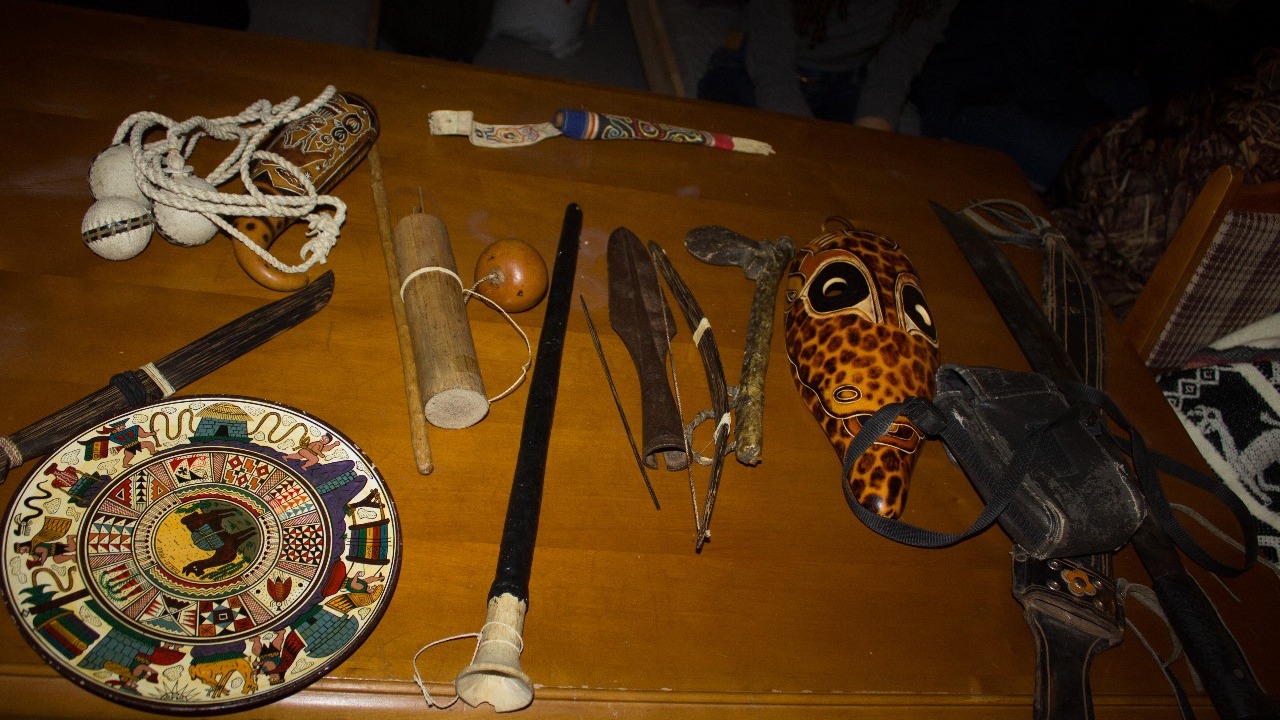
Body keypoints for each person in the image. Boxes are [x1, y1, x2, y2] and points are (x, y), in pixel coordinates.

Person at [697, 0, 959, 131]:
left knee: (874, 181)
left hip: (848, 78)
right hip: (753, 63)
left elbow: (902, 55)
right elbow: (771, 56)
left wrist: (873, 129)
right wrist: (804, 140)